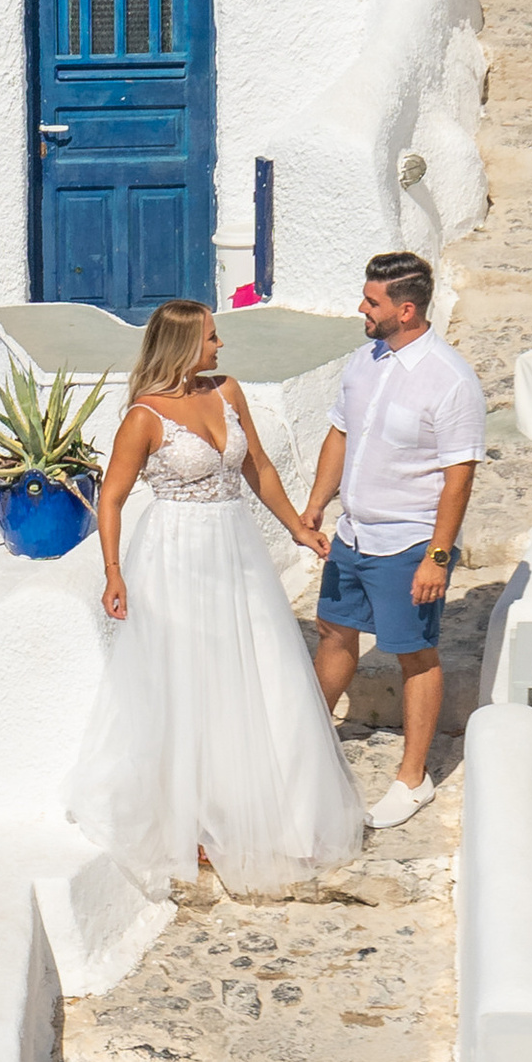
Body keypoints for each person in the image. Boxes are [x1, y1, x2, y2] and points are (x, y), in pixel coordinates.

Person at [68, 296, 365, 894]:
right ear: (182, 344)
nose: (219, 346)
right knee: (189, 681)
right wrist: (112, 572)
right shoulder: (143, 418)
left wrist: (297, 527)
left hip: (235, 548)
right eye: (210, 337)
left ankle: (267, 809)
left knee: (255, 668)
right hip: (173, 554)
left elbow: (258, 467)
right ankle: (193, 820)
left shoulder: (228, 390)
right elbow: (113, 498)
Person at [302, 250, 486, 832]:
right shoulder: (364, 360)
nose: (362, 307)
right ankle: (305, 737)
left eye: (372, 300)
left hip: (408, 544)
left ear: (405, 310)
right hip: (353, 534)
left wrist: (438, 556)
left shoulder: (451, 381)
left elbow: (460, 476)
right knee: (334, 631)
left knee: (414, 654)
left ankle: (413, 778)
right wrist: (315, 505)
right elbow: (339, 433)